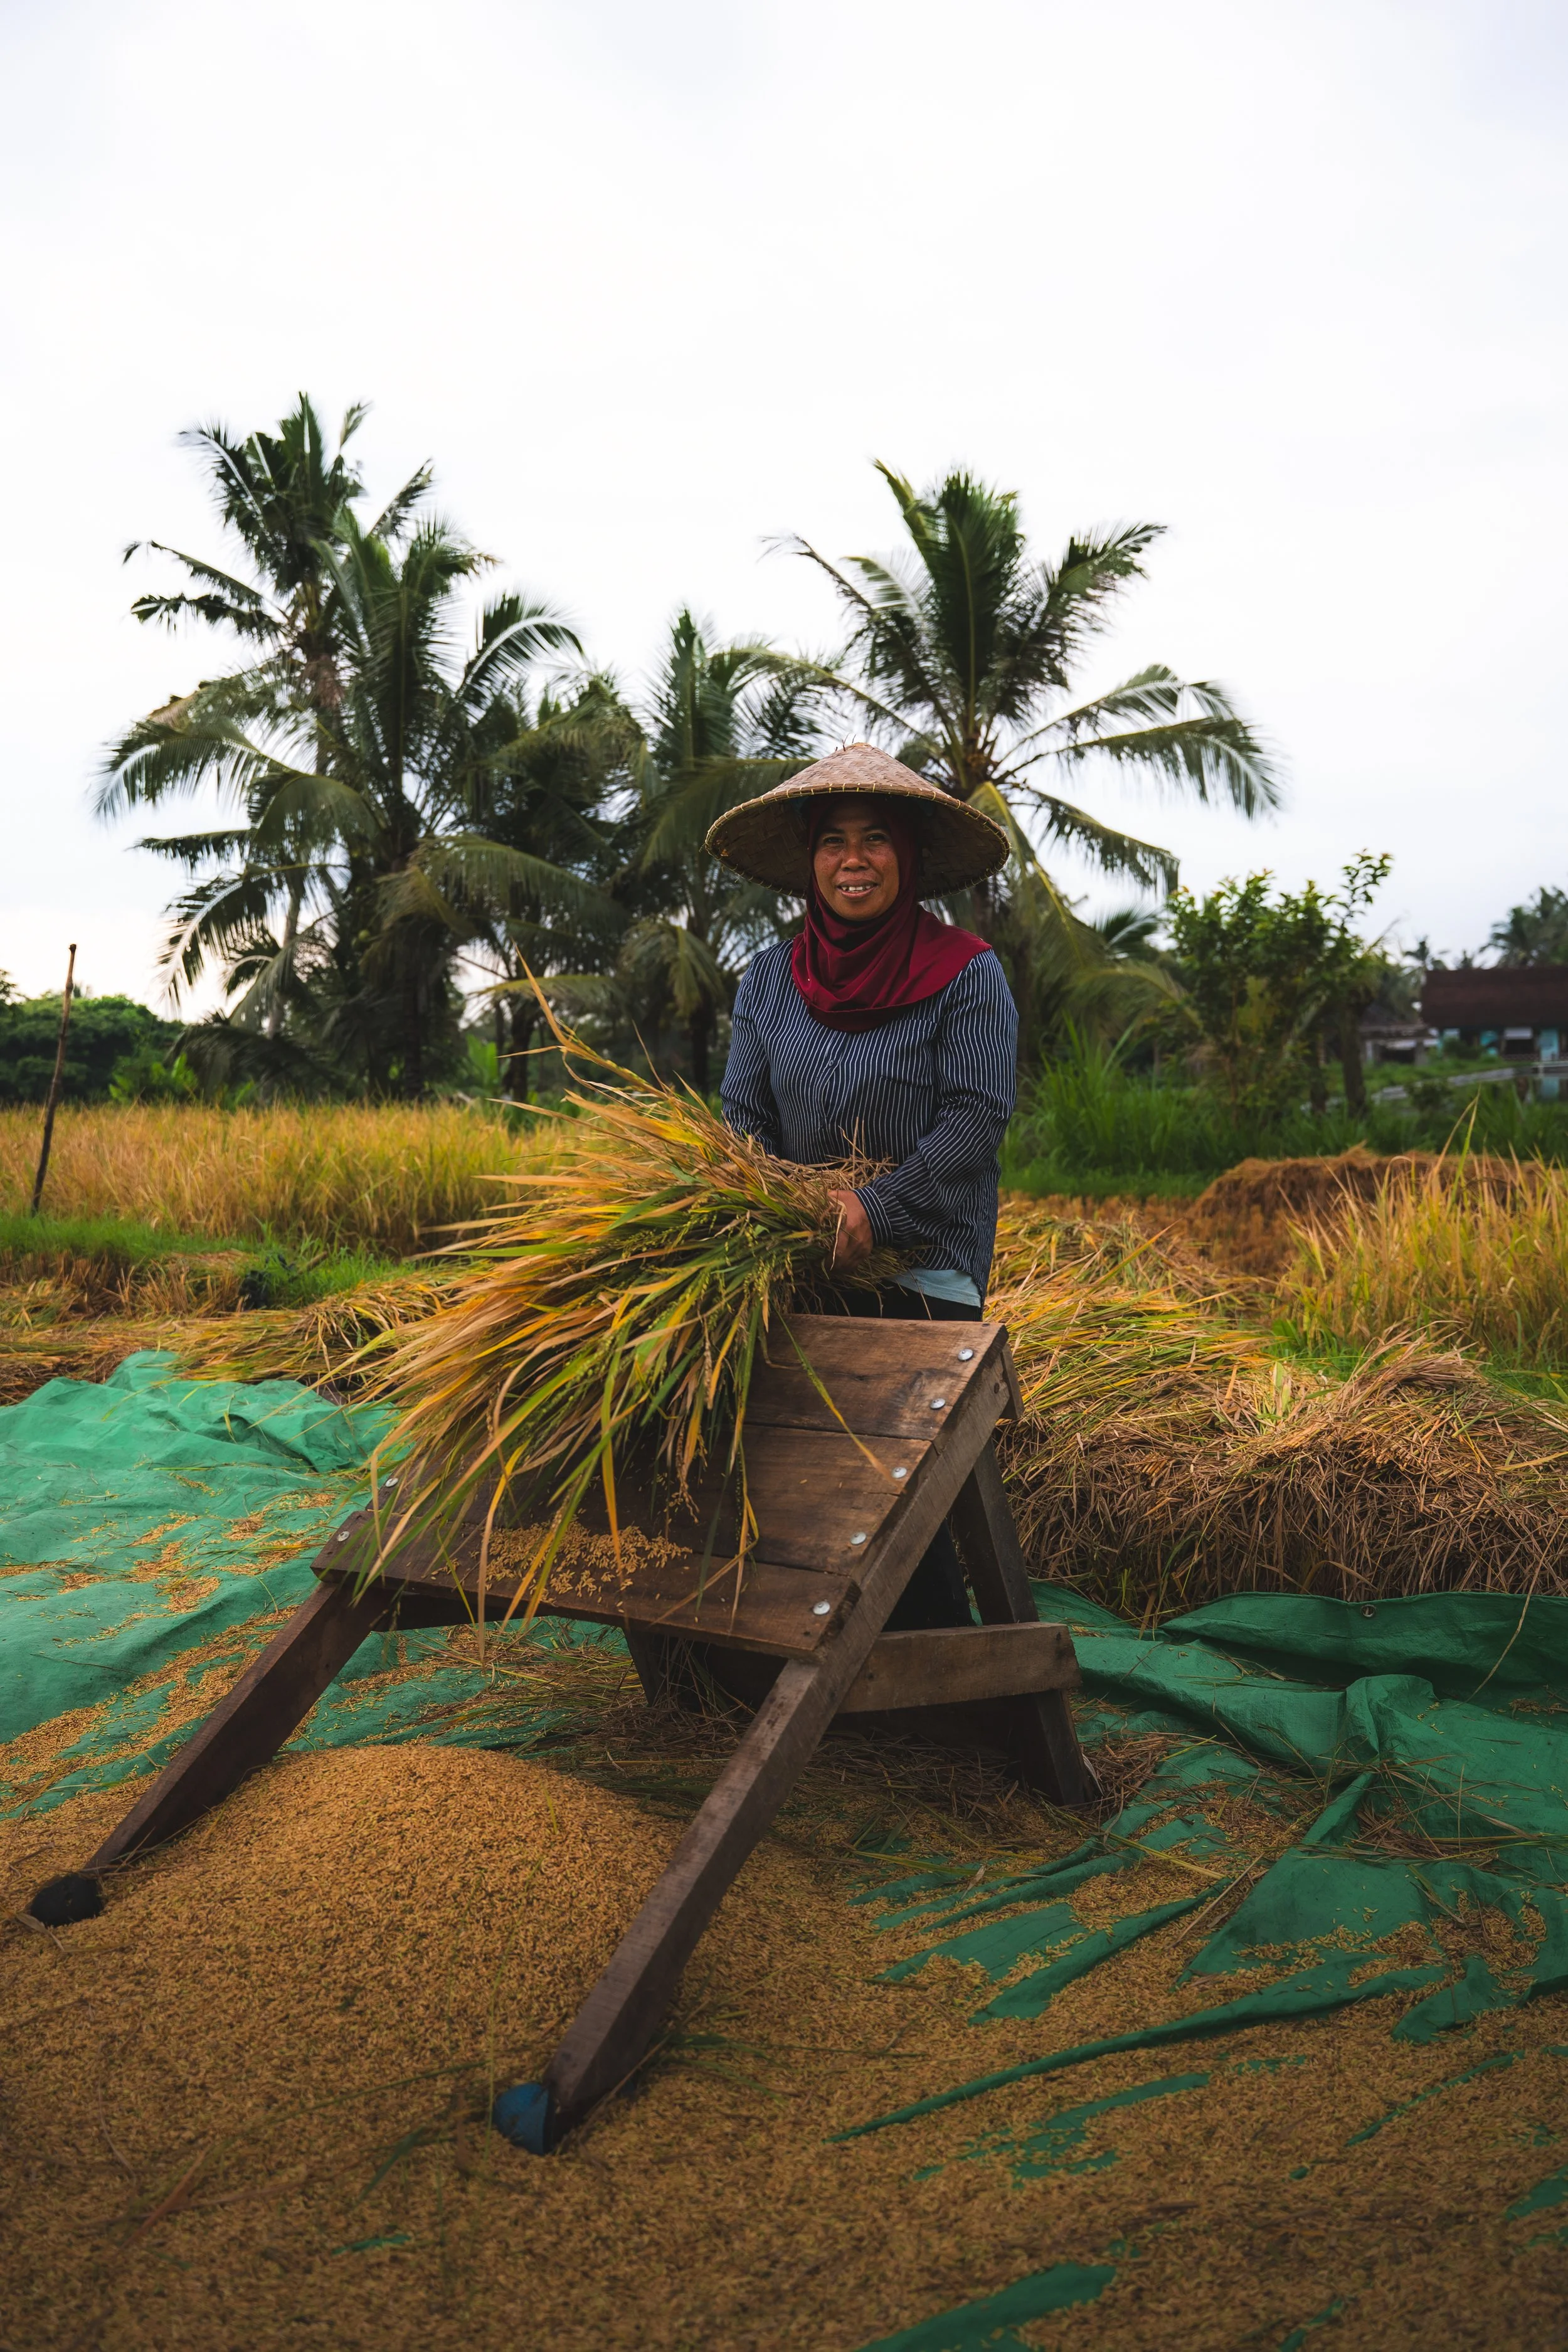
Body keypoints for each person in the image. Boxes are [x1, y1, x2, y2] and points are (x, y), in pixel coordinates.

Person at [706, 741, 1017, 1626]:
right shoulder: (770, 979)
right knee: (767, 1482)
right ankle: (751, 1656)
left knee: (881, 1503)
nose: (853, 860)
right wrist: (779, 1210)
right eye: (833, 840)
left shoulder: (966, 974)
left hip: (921, 1272)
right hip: (801, 1266)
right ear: (809, 860)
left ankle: (924, 1686)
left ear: (909, 857)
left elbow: (974, 1122)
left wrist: (874, 1211)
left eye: (876, 839)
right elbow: (742, 1117)